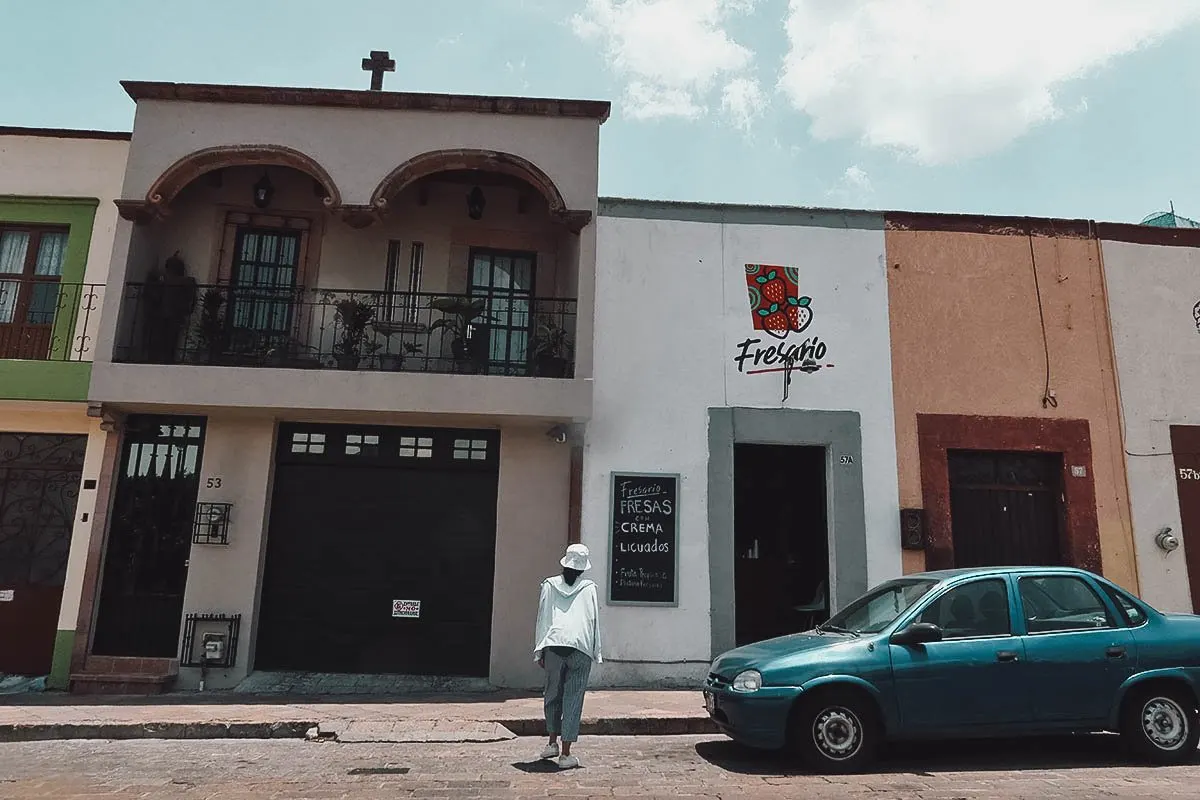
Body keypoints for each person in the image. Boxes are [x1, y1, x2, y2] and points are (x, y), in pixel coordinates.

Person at [533, 543, 602, 770]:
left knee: (552, 694)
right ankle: (566, 754)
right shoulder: (589, 587)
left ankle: (552, 742)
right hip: (580, 647)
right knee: (573, 698)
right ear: (582, 568)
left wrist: (540, 649)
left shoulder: (549, 585)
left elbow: (543, 617)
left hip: (554, 645)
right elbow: (593, 621)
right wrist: (596, 651)